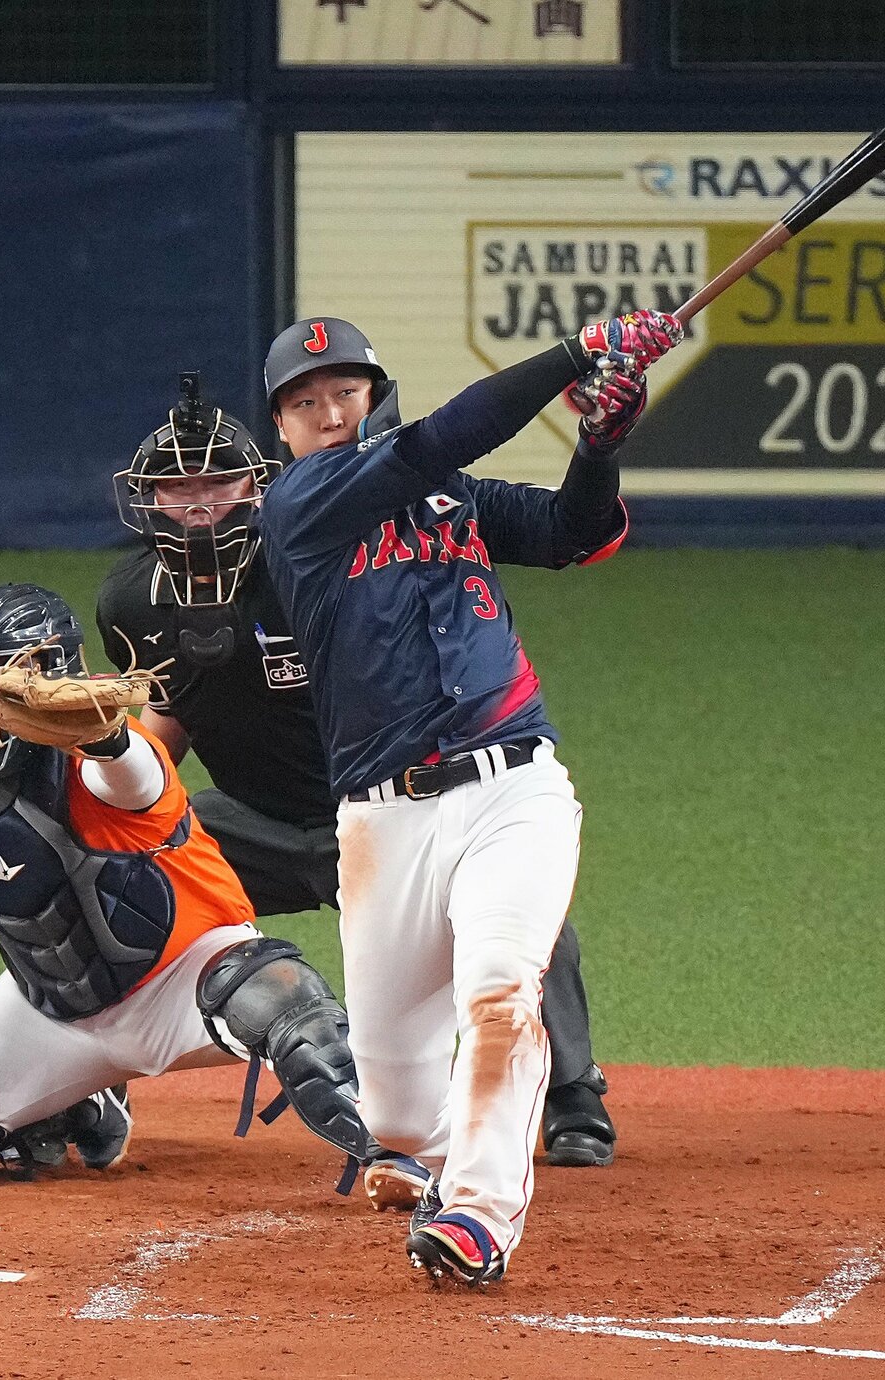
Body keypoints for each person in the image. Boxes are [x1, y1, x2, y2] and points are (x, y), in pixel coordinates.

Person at [96, 373, 618, 1214]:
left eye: (216, 481)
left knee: (517, 923)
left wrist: (590, 426)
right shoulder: (132, 601)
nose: (196, 504)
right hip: (261, 822)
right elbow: (176, 719)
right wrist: (100, 762)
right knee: (110, 876)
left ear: (257, 480)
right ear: (145, 498)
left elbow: (488, 497)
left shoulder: (318, 533)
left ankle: (571, 1094)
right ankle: (95, 1073)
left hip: (375, 810)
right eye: (175, 487)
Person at [255, 311, 680, 1284]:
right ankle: (425, 1147)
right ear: (283, 431)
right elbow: (442, 437)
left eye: (344, 393)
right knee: (394, 1115)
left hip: (513, 787)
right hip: (382, 826)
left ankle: (479, 1218)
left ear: (374, 394)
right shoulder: (300, 510)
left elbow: (577, 532)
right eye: (304, 403)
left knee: (500, 993)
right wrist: (580, 351)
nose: (327, 412)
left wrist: (601, 441)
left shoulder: (452, 500)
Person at [0, 581, 377, 1187]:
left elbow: (133, 778)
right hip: (58, 1014)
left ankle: (406, 1150)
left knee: (281, 1001)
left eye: (2, 679)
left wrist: (101, 733)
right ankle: (82, 1102)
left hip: (185, 981)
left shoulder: (107, 761)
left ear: (56, 677)